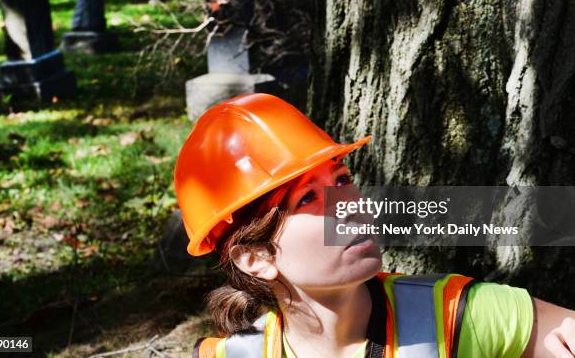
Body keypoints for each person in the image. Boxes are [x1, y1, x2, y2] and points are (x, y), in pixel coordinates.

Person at [173, 93, 575, 358]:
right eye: (308, 198)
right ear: (255, 258)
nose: (348, 205)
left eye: (342, 181)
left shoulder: (459, 314)